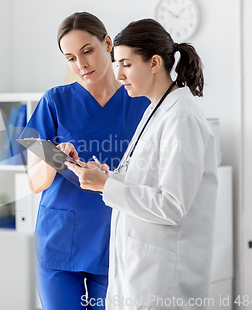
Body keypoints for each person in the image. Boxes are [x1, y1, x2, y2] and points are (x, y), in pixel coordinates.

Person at [65, 18, 218, 310]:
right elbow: (147, 181)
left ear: (154, 62)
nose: (118, 74)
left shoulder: (180, 117)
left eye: (126, 63)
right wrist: (107, 178)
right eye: (117, 63)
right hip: (138, 271)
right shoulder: (155, 110)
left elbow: (172, 204)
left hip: (162, 280)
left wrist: (107, 186)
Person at [20, 12, 149, 309]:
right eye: (70, 58)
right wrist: (56, 159)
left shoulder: (141, 103)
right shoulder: (54, 102)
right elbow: (34, 182)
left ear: (107, 43)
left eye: (87, 51)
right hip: (59, 243)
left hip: (115, 239)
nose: (81, 65)